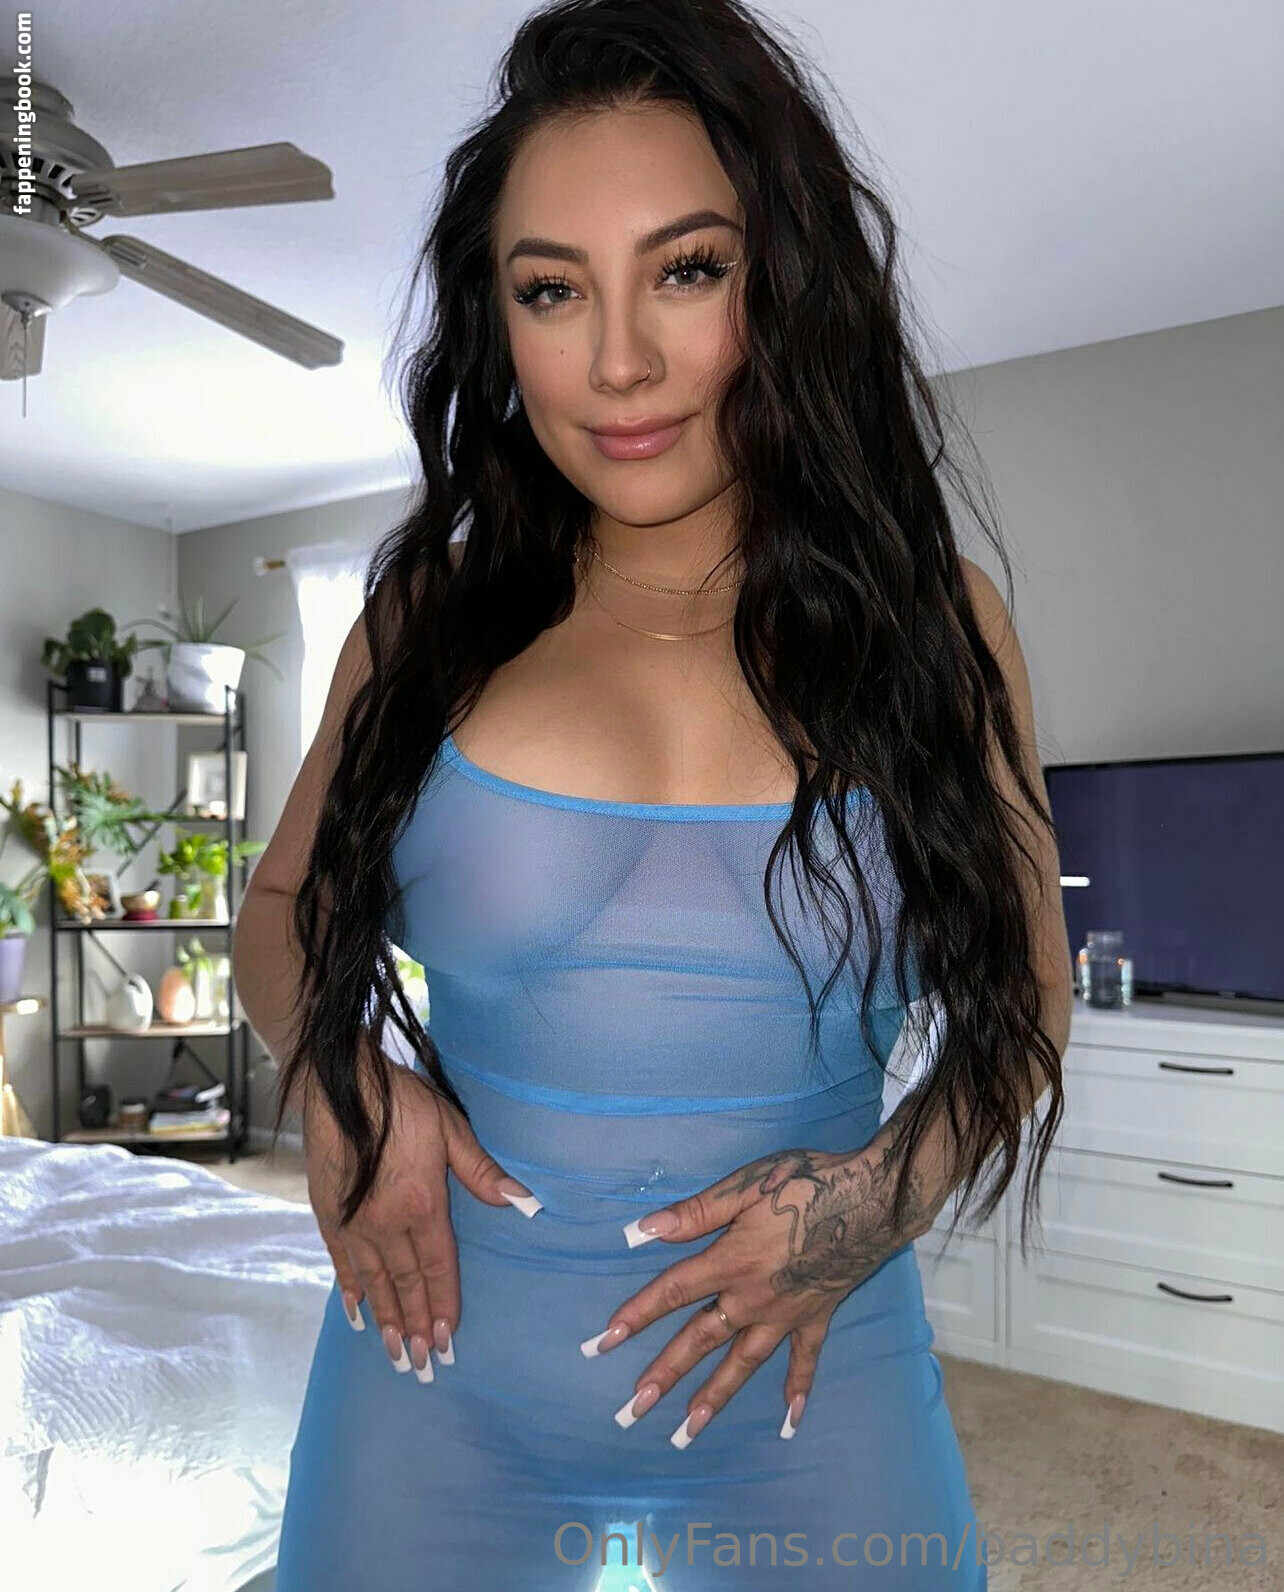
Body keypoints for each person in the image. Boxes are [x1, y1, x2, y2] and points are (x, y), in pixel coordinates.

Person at [232, 1, 1074, 1586]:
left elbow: (1028, 997)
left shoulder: (938, 626)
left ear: (789, 280)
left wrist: (868, 1207)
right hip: (433, 1375)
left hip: (815, 1380)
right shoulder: (425, 621)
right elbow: (281, 907)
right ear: (500, 321)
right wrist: (347, 1085)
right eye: (553, 289)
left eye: (688, 270)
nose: (618, 362)